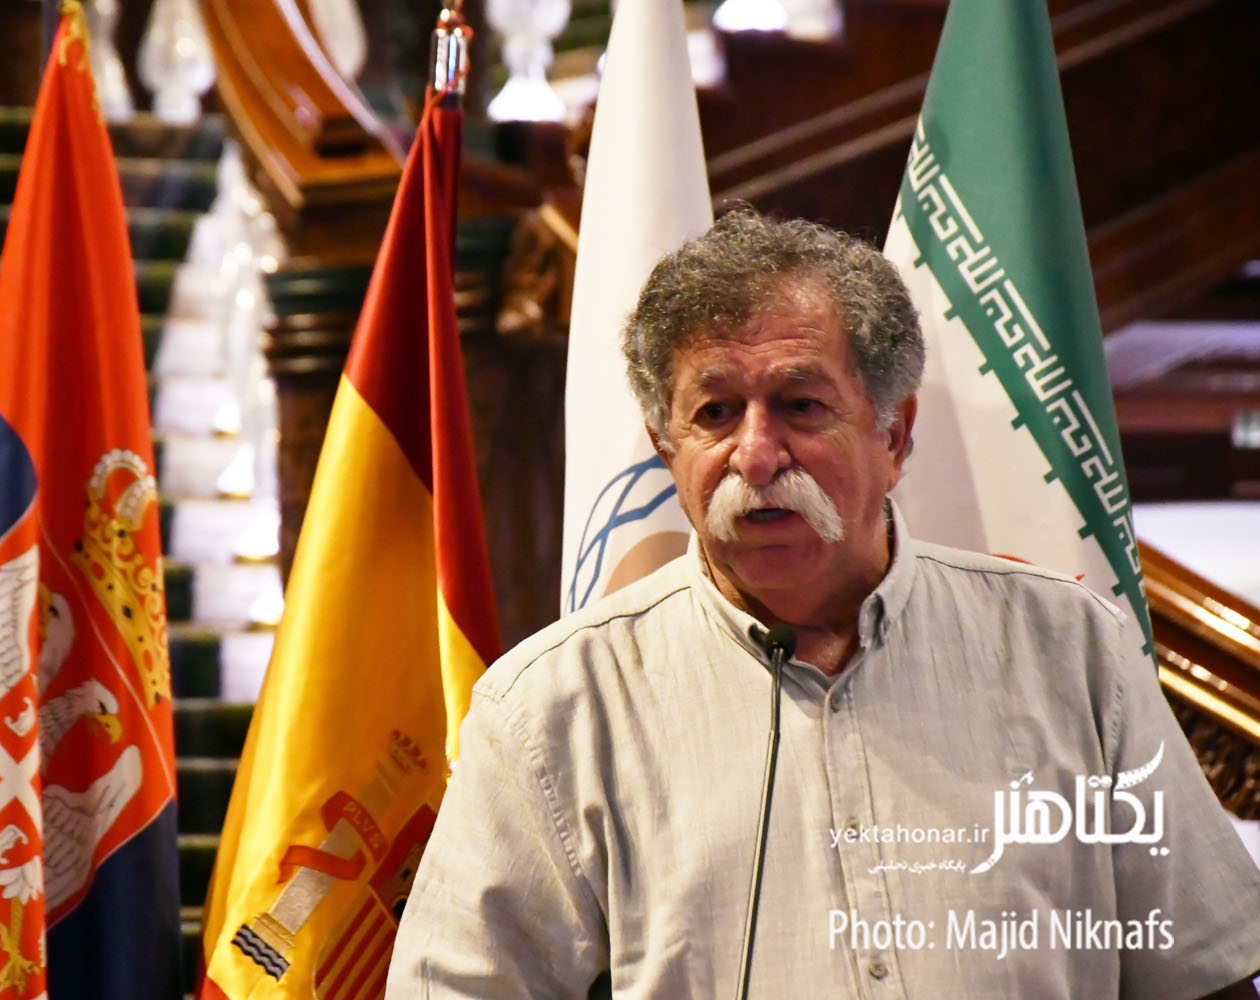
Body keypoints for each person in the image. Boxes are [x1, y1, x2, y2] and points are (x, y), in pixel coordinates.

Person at [384, 210, 1260, 998]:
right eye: (714, 414)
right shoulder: (552, 708)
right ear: (664, 446)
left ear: (895, 435)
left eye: (800, 406)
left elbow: (1204, 975)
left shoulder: (1070, 649)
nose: (756, 455)